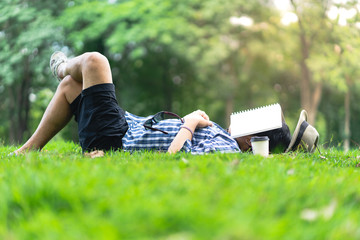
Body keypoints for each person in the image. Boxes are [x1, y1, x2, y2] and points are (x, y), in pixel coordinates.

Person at [13, 51, 291, 155]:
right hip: (124, 125)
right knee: (71, 87)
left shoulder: (228, 149)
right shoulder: (223, 136)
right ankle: (27, 150)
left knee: (95, 62)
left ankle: (61, 66)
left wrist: (191, 122)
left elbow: (174, 155)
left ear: (254, 139)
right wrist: (191, 122)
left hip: (114, 139)